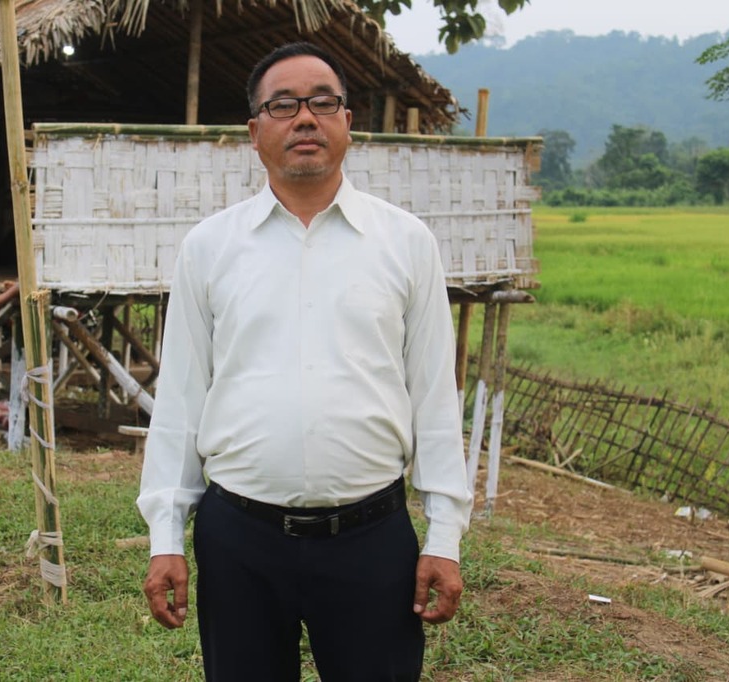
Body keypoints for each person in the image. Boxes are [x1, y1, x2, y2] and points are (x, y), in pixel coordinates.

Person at [137, 42, 471, 681]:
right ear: (254, 131)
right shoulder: (210, 247)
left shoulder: (406, 243)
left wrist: (445, 537)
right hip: (238, 540)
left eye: (323, 102)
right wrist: (165, 537)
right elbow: (180, 399)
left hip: (373, 537)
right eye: (283, 105)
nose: (306, 119)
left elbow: (434, 395)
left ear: (348, 122)